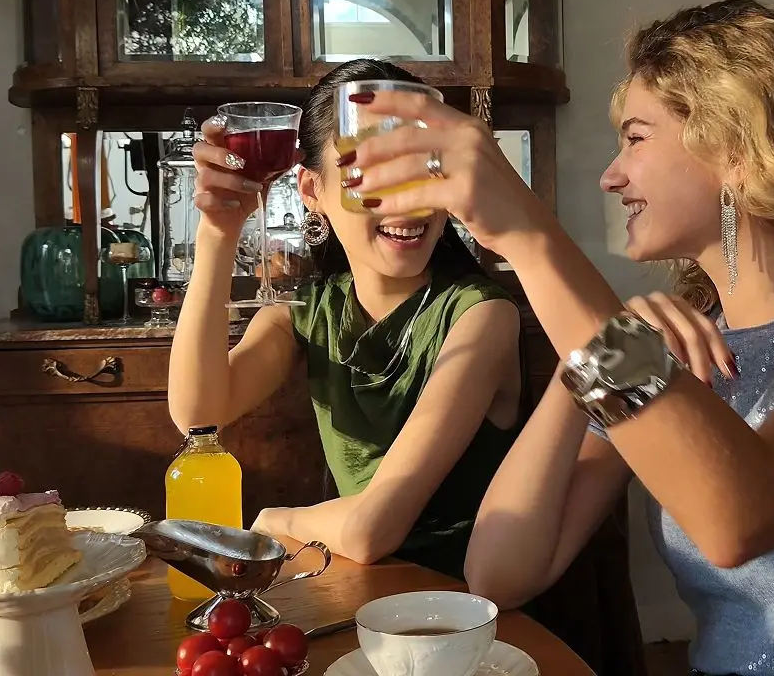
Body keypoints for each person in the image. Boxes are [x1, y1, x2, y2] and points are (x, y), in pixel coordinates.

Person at [335, 0, 774, 675]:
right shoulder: (663, 352)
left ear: (739, 148)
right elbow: (501, 571)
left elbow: (743, 513)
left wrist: (530, 236)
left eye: (636, 139)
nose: (611, 175)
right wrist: (596, 359)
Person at [167, 59, 525, 580]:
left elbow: (371, 529)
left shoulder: (482, 315)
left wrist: (275, 521)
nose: (407, 201)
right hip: (350, 587)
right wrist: (218, 233)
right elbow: (198, 414)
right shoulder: (308, 312)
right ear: (312, 190)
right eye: (371, 172)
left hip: (459, 603)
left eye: (424, 167)